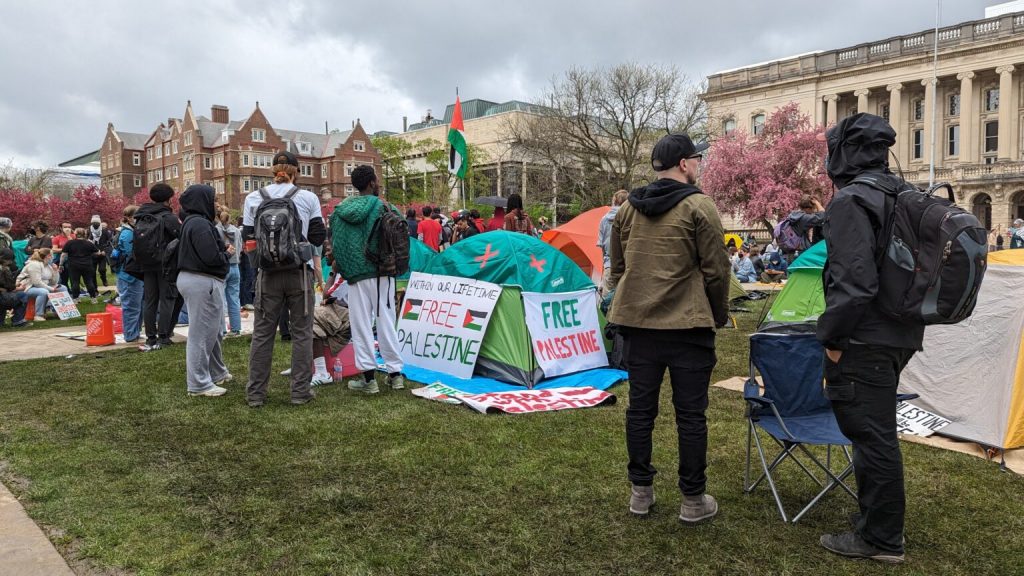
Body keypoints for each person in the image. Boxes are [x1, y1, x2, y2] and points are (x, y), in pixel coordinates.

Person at [607, 132, 731, 523]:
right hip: (688, 329)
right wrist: (717, 312)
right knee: (691, 415)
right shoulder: (700, 206)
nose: (699, 165)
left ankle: (640, 493)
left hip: (638, 326)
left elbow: (618, 267)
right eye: (696, 159)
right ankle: (692, 501)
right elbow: (717, 270)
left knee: (640, 411)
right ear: (683, 164)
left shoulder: (627, 209)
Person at [817, 113, 924, 564]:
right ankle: (879, 528)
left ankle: (881, 538)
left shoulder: (850, 201)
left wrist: (832, 337)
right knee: (877, 432)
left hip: (864, 338)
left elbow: (854, 283)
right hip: (900, 332)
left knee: (872, 436)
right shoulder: (904, 194)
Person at [243, 150, 326, 408]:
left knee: (263, 334)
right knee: (302, 334)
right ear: (296, 171)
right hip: (298, 273)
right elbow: (317, 237)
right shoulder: (307, 197)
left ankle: (256, 394)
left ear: (272, 171)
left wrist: (262, 264)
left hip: (267, 275)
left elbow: (249, 238)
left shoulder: (254, 198)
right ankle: (300, 392)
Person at [331, 164, 404, 394]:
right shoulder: (385, 207)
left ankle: (369, 379)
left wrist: (346, 269)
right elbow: (401, 235)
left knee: (361, 325)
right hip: (383, 272)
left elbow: (336, 245)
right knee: (387, 322)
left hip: (356, 275)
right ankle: (395, 375)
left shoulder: (340, 212)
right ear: (372, 183)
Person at [176, 185, 233, 398]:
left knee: (214, 331)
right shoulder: (199, 224)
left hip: (198, 280)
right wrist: (226, 254)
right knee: (201, 335)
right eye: (212, 199)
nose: (215, 203)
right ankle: (199, 384)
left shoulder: (194, 221)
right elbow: (210, 257)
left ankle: (216, 371)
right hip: (202, 281)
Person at [131, 183, 184, 351]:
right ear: (169, 199)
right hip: (165, 264)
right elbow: (181, 237)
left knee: (150, 301)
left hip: (146, 263)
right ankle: (164, 336)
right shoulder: (168, 217)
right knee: (167, 299)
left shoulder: (141, 216)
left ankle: (150, 337)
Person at [111, 206, 144, 343]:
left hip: (132, 275)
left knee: (138, 306)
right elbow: (133, 254)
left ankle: (135, 332)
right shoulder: (127, 234)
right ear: (129, 218)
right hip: (129, 276)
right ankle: (130, 335)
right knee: (131, 306)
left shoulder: (129, 231)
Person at [16, 248, 66, 320]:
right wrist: (51, 288)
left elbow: (54, 282)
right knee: (43, 291)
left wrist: (55, 271)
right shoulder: (34, 265)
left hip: (42, 286)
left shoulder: (48, 265)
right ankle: (39, 315)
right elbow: (37, 283)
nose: (53, 257)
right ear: (48, 256)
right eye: (52, 255)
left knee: (62, 288)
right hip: (27, 287)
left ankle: (60, 312)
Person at [216, 210, 242, 337]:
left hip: (222, 267)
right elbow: (240, 247)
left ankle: (222, 329)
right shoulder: (237, 231)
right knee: (234, 298)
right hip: (235, 267)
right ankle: (236, 328)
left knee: (220, 300)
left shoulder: (216, 230)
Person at [598, 190, 628, 293]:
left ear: (614, 201)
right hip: (626, 265)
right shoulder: (629, 218)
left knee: (607, 303)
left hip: (609, 265)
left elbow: (602, 246)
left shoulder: (604, 219)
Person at [61, 228, 101, 303]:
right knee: (89, 281)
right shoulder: (88, 243)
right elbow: (97, 252)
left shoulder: (70, 243)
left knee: (75, 282)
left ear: (75, 234)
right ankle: (93, 298)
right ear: (84, 234)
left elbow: (63, 255)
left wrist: (61, 264)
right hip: (87, 264)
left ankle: (76, 298)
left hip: (73, 265)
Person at [0, 248, 28, 327]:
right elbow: (9, 287)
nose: (11, 262)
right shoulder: (4, 269)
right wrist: (18, 288)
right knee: (22, 295)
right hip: (2, 296)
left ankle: (0, 321)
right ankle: (18, 321)